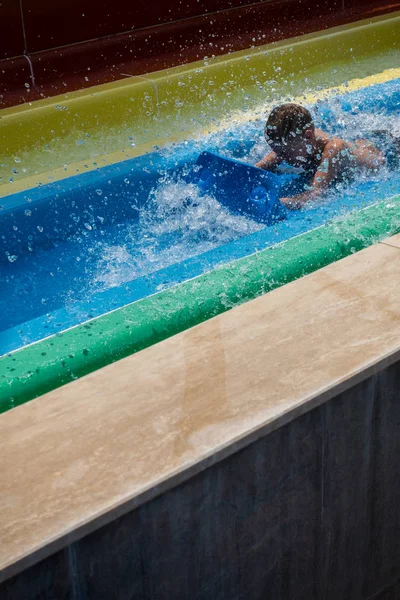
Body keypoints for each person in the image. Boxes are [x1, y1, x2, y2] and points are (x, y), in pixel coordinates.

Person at [256, 103, 400, 210]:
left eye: (285, 153)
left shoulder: (333, 150)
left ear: (308, 136)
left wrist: (275, 202)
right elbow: (257, 168)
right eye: (278, 152)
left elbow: (315, 194)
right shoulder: (294, 142)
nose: (281, 157)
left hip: (388, 154)